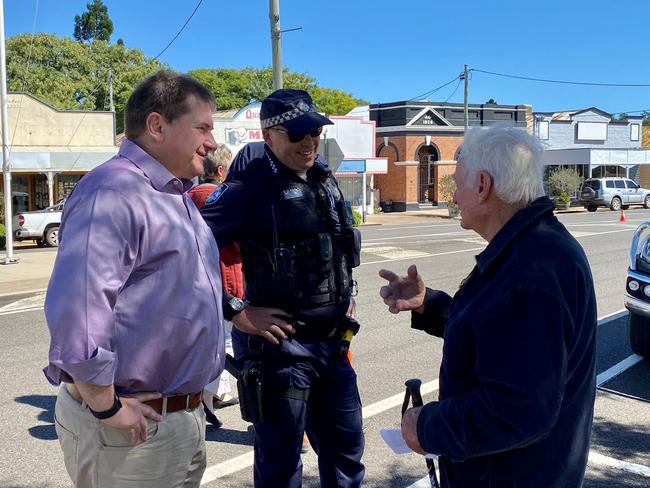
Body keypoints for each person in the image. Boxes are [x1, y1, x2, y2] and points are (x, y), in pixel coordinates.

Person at [379, 126, 597, 488]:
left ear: (482, 186)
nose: (453, 193)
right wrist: (428, 305)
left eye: (458, 181)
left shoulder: (530, 273)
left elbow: (516, 412)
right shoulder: (531, 247)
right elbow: (497, 333)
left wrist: (427, 427)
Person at [44, 70, 224, 488]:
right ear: (157, 125)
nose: (212, 143)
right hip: (129, 429)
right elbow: (78, 314)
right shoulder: (113, 191)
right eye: (203, 128)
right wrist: (106, 407)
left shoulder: (171, 192)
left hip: (178, 419)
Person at [201, 88, 365, 488]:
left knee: (347, 455)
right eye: (297, 134)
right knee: (280, 467)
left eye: (314, 132)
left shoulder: (324, 179)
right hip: (282, 353)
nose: (309, 141)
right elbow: (185, 253)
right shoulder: (247, 190)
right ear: (268, 136)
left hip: (333, 347)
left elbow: (335, 246)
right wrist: (235, 311)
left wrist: (346, 293)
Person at [188, 145, 239, 428]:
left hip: (194, 283)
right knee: (229, 342)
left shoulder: (184, 198)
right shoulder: (222, 198)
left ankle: (211, 395)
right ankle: (210, 394)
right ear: (220, 171)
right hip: (224, 281)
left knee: (205, 340)